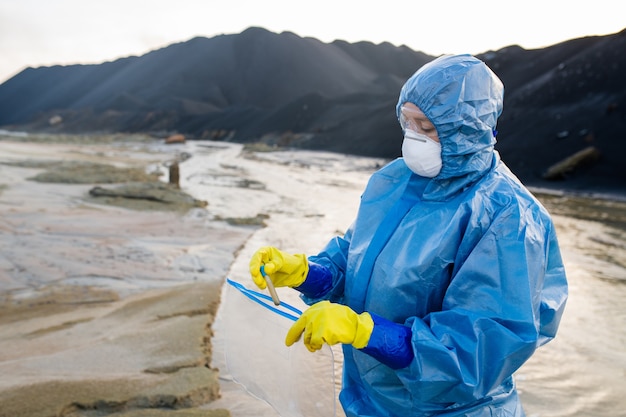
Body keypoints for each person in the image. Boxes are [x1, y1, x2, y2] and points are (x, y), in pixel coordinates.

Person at [249, 54, 568, 417]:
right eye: (408, 122)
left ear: (467, 130)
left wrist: (366, 333)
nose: (414, 137)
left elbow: (477, 352)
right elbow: (357, 260)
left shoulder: (510, 218)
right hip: (375, 401)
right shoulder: (396, 181)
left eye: (427, 127)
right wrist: (307, 273)